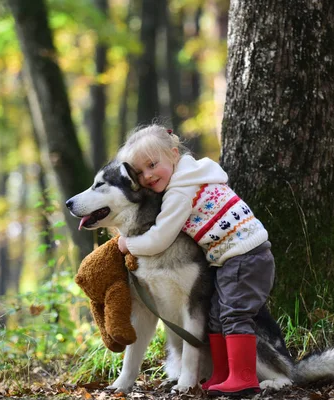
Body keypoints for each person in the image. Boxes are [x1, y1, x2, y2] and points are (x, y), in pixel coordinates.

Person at [117, 125, 275, 395]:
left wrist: (127, 244)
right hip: (230, 257)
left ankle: (244, 377)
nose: (148, 175)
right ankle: (222, 374)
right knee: (214, 315)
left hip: (245, 256)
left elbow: (160, 238)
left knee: (234, 314)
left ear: (174, 155)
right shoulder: (197, 172)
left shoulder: (181, 191)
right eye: (140, 172)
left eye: (153, 165)